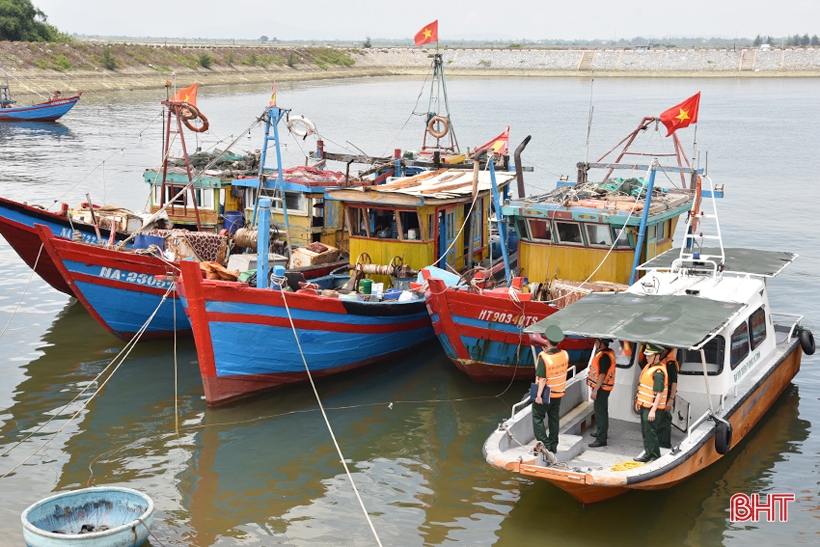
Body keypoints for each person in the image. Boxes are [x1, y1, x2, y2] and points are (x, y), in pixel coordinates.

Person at [531, 325, 569, 456]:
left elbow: (542, 379)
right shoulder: (564, 354)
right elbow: (556, 360)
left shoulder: (543, 357)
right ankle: (553, 446)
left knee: (537, 417)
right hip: (558, 393)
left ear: (546, 341)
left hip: (546, 393)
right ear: (558, 342)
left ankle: (545, 445)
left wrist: (539, 396)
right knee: (554, 419)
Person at [634, 344, 668, 462]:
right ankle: (648, 453)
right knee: (646, 431)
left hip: (652, 408)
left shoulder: (658, 372)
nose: (647, 358)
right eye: (647, 355)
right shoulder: (649, 367)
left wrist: (653, 410)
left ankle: (654, 456)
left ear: (657, 356)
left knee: (650, 432)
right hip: (645, 406)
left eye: (649, 356)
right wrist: (639, 402)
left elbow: (659, 393)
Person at [587, 338, 616, 447]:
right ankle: (601, 432)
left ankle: (601, 439)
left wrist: (595, 390)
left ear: (601, 343)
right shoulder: (607, 353)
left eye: (597, 341)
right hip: (603, 389)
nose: (595, 343)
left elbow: (602, 375)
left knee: (601, 413)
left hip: (601, 389)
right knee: (601, 412)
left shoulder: (604, 357)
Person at [658, 348, 679, 449]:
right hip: (660, 394)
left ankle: (664, 444)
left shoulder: (670, 364)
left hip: (667, 395)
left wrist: (671, 399)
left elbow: (674, 382)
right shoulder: (660, 361)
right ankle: (659, 441)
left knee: (665, 419)